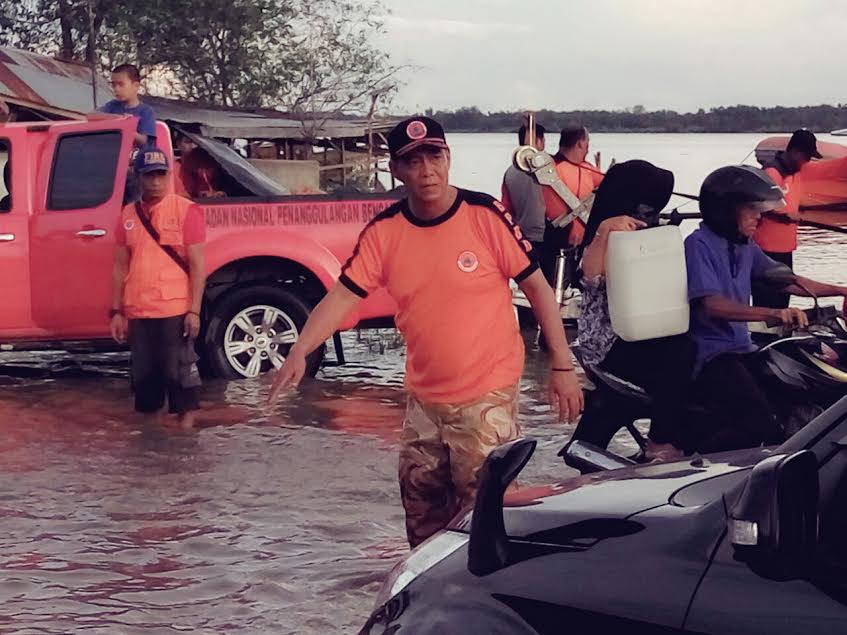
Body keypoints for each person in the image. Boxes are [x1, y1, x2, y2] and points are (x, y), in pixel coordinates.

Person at [268, 116, 584, 547]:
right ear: (397, 170)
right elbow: (342, 296)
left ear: (449, 159)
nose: (426, 170)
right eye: (412, 162)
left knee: (483, 518)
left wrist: (562, 366)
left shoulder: (484, 215)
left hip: (485, 394)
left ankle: (486, 603)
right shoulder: (385, 232)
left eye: (434, 157)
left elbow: (539, 290)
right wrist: (300, 350)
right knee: (421, 515)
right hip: (424, 402)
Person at [685, 165, 847, 452]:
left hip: (744, 347)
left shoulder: (744, 245)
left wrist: (840, 289)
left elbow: (787, 281)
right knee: (761, 429)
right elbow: (712, 305)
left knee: (791, 400)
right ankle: (695, 464)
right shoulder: (698, 245)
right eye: (751, 209)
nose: (759, 217)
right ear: (726, 210)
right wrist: (773, 313)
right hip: (713, 354)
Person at [577, 160, 695, 461]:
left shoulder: (646, 232)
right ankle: (660, 440)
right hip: (608, 342)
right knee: (682, 350)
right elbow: (588, 277)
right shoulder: (603, 235)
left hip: (645, 331)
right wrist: (605, 231)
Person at [110, 147, 207, 429]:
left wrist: (195, 311)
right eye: (149, 176)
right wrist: (116, 311)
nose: (155, 182)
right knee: (145, 385)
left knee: (181, 380)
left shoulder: (187, 211)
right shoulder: (127, 215)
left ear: (169, 176)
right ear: (138, 178)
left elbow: (199, 266)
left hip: (174, 310)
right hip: (139, 312)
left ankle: (185, 444)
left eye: (160, 175)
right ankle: (153, 449)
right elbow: (119, 267)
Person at [753, 129, 847, 308]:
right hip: (766, 250)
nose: (807, 162)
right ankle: (764, 335)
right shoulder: (773, 173)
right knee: (768, 301)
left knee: (783, 299)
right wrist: (784, 214)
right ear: (796, 152)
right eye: (806, 157)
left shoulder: (796, 171)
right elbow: (758, 204)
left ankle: (781, 333)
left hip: (784, 249)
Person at [501, 122, 547, 256]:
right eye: (543, 141)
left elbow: (506, 208)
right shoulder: (548, 169)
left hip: (522, 238)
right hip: (546, 237)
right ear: (538, 141)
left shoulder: (510, 172)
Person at [98, 64, 157, 147]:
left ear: (136, 86)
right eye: (113, 85)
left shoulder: (146, 111)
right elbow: (90, 116)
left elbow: (146, 141)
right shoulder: (111, 106)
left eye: (121, 84)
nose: (116, 89)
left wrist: (126, 127)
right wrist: (117, 119)